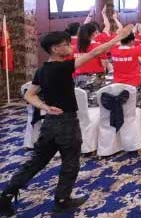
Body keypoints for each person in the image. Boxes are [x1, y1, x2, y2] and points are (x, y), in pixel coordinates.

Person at [0, 25, 132, 216]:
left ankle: (6, 195)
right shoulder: (63, 67)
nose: (70, 47)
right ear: (55, 49)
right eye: (66, 44)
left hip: (49, 123)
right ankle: (62, 200)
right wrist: (118, 38)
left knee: (36, 162)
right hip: (67, 123)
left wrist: (45, 107)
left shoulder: (42, 70)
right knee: (70, 163)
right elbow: (95, 52)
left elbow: (29, 94)